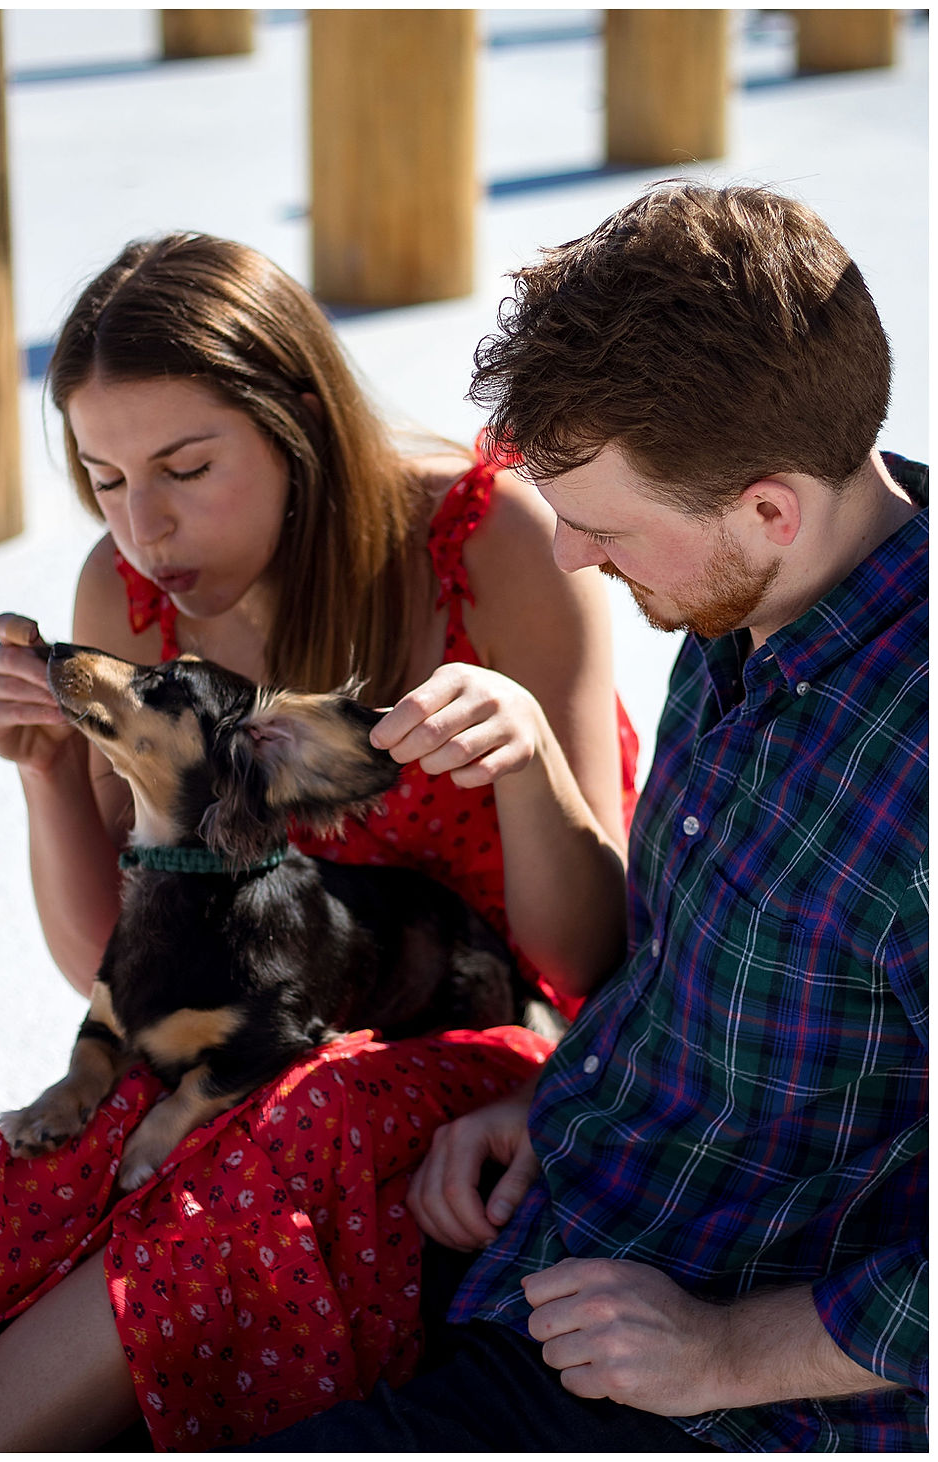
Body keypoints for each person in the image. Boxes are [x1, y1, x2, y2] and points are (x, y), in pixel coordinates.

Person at [241, 182, 928, 1453]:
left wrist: (725, 1351)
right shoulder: (754, 597)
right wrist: (578, 1098)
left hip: (705, 1385)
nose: (563, 557)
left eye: (601, 526)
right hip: (552, 1214)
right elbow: (707, 975)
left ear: (768, 506)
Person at [0, 233, 639, 1451]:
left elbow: (588, 958)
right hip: (258, 1022)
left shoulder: (492, 544)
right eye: (105, 478)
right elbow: (122, 976)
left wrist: (528, 756)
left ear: (297, 426)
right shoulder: (122, 601)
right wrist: (51, 775)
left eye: (185, 465)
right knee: (54, 1153)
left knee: (287, 1122)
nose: (142, 528)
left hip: (488, 1037)